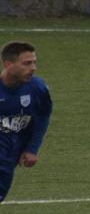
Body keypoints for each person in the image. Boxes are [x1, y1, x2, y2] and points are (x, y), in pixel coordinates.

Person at [0, 41, 53, 202]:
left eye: (34, 63)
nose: (33, 68)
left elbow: (43, 117)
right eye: (27, 63)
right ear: (9, 64)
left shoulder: (38, 88)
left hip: (10, 158)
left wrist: (32, 148)